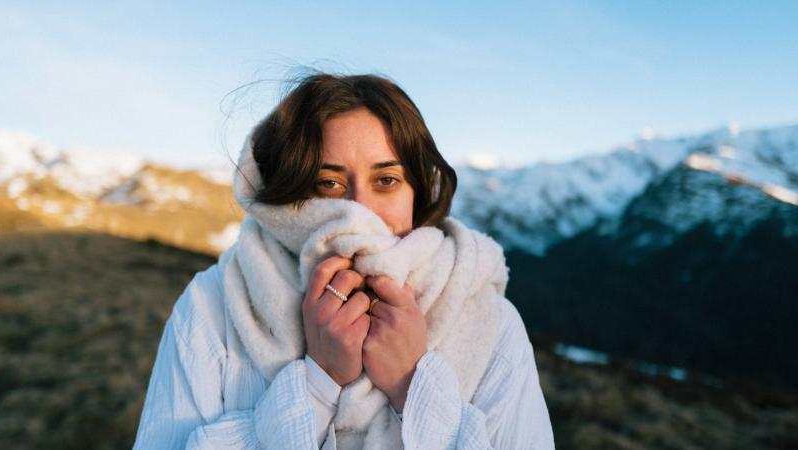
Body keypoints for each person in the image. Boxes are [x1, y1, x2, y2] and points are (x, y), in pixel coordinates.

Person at [133, 73, 554, 449]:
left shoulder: (488, 318)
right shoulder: (215, 305)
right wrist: (317, 385)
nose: (360, 212)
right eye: (328, 184)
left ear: (418, 191)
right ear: (286, 198)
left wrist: (413, 387)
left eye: (386, 181)